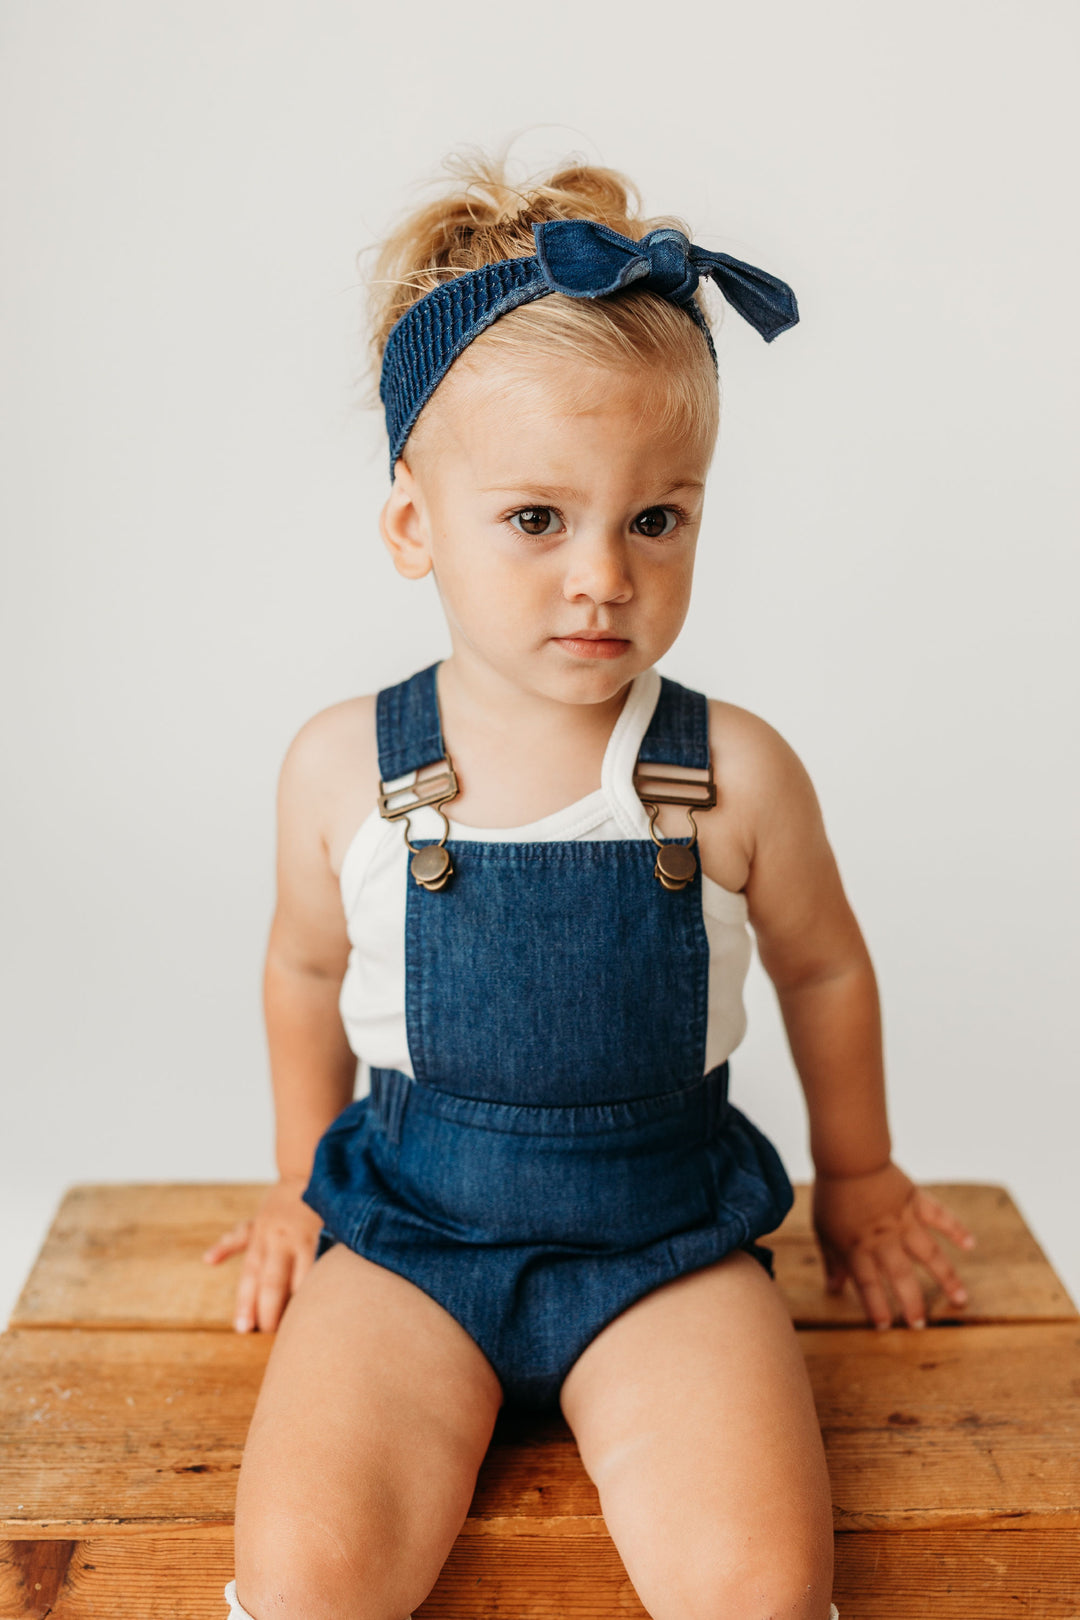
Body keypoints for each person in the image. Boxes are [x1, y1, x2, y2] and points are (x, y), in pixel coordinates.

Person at [205, 151, 977, 1620]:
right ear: (412, 525)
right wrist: (302, 1186)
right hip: (412, 1235)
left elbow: (824, 966)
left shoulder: (731, 774)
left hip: (664, 1244)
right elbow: (303, 971)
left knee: (755, 1581)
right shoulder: (346, 770)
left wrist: (863, 1176)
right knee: (308, 1567)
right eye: (536, 519)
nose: (604, 577)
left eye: (655, 519)